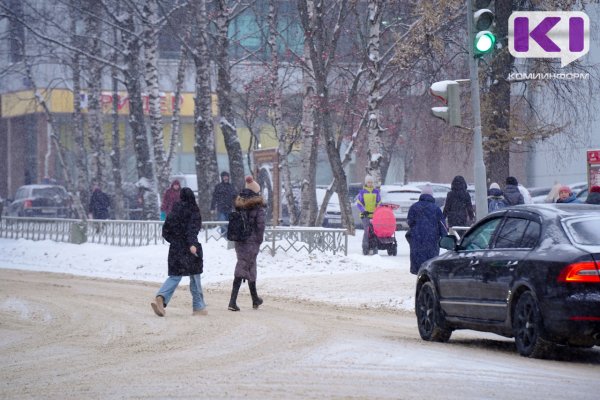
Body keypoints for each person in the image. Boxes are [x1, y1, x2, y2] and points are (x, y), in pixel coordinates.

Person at [151, 187, 207, 317]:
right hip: (189, 249)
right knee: (195, 276)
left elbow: (165, 231)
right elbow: (191, 230)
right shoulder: (193, 210)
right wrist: (192, 243)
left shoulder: (174, 211)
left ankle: (161, 297)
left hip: (175, 249)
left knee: (175, 276)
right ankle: (198, 307)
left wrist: (176, 241)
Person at [228, 176, 266, 312]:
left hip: (240, 240)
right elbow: (260, 226)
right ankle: (232, 301)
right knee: (242, 267)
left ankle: (255, 298)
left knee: (250, 267)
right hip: (252, 241)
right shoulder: (257, 206)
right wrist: (259, 240)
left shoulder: (240, 203)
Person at [407, 185, 447, 275]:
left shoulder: (414, 207)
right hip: (432, 241)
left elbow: (409, 222)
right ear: (432, 196)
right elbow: (442, 226)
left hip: (417, 241)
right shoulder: (436, 209)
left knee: (418, 266)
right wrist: (445, 238)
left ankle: (420, 281)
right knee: (430, 266)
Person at [356, 175, 381, 255]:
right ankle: (365, 247)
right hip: (365, 215)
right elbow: (359, 204)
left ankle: (374, 245)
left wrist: (377, 209)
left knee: (375, 231)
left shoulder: (376, 192)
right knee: (367, 230)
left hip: (374, 215)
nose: (370, 184)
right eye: (368, 182)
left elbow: (379, 202)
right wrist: (364, 210)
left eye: (371, 182)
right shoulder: (362, 192)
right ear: (366, 183)